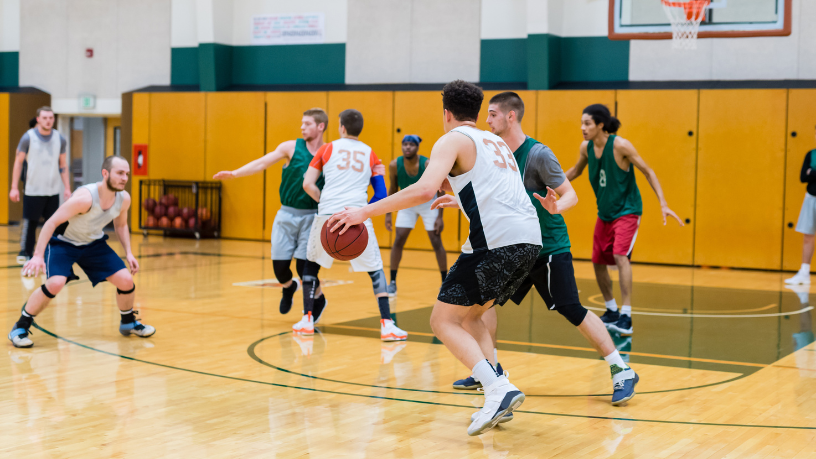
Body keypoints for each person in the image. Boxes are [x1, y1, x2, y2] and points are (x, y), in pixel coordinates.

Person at [328, 81, 542, 436]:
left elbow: (424, 189)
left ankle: (498, 390)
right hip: (529, 240)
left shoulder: (451, 139)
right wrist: (458, 196)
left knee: (442, 320)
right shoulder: (495, 142)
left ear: (446, 113)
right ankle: (497, 389)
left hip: (497, 242)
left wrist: (363, 212)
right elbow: (496, 187)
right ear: (476, 111)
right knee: (473, 317)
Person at [443, 92, 638, 407]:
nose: (487, 120)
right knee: (483, 306)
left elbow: (571, 194)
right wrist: (460, 200)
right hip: (511, 246)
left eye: (492, 114)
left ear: (511, 116)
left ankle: (621, 369)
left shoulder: (538, 154)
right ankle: (491, 372)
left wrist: (555, 206)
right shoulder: (496, 151)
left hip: (547, 247)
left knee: (570, 308)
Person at [8, 156, 155, 348]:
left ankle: (128, 322)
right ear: (105, 173)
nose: (124, 178)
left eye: (127, 174)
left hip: (93, 244)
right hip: (64, 244)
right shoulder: (85, 198)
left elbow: (121, 225)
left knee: (126, 280)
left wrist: (129, 253)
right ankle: (20, 327)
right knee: (55, 283)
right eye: (120, 173)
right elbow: (51, 222)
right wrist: (37, 255)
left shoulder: (123, 199)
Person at [565, 104, 683, 336]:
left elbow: (648, 171)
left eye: (587, 123)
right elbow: (575, 171)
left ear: (600, 125)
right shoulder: (586, 148)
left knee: (620, 255)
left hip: (627, 211)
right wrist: (549, 185)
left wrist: (663, 203)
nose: (583, 128)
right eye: (581, 123)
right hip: (605, 214)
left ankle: (626, 315)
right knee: (597, 261)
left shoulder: (620, 145)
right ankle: (611, 310)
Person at [299, 109, 408, 342]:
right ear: (359, 129)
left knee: (311, 265)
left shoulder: (326, 149)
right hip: (358, 215)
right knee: (375, 269)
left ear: (341, 127)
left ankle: (307, 319)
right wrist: (363, 210)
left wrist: (326, 203)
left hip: (327, 215)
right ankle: (387, 324)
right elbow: (380, 194)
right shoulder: (371, 154)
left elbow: (308, 184)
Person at [214, 108, 329, 314]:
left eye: (307, 124)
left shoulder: (329, 152)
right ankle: (288, 287)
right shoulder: (291, 147)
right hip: (286, 215)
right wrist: (235, 173)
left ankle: (318, 299)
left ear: (321, 126)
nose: (302, 127)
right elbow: (262, 162)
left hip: (312, 217)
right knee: (280, 269)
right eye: (301, 123)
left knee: (305, 269)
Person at [384, 135, 447, 296]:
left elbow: (441, 188)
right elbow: (392, 189)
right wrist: (388, 214)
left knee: (435, 240)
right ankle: (392, 282)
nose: (407, 147)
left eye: (411, 144)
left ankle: (445, 281)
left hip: (428, 203)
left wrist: (440, 216)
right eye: (404, 144)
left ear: (417, 147)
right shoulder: (394, 164)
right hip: (407, 203)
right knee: (398, 239)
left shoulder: (427, 163)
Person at [10, 107, 72, 264]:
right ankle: (26, 252)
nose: (48, 120)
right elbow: (18, 163)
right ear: (38, 119)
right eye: (45, 118)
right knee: (30, 223)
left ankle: (47, 253)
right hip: (33, 190)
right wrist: (14, 187)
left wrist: (67, 187)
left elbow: (63, 165)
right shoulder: (28, 138)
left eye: (51, 118)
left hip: (52, 191)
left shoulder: (60, 138)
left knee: (51, 224)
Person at [786, 127, 816, 285]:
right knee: (808, 235)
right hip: (811, 197)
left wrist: (813, 173)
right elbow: (803, 177)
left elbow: (811, 174)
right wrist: (810, 173)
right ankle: (804, 272)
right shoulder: (811, 154)